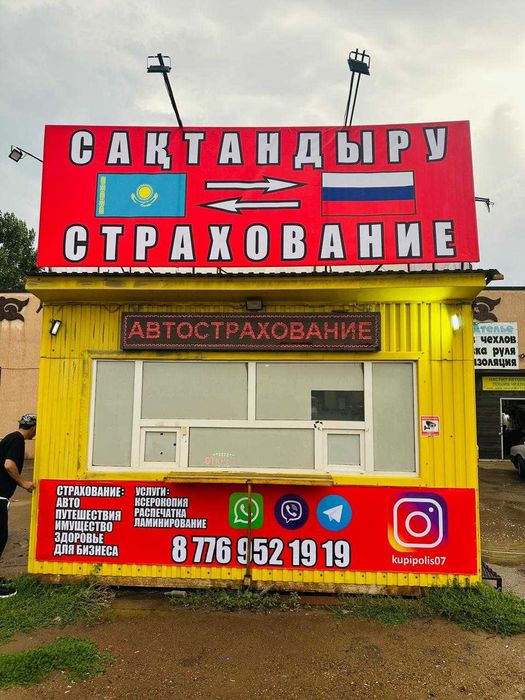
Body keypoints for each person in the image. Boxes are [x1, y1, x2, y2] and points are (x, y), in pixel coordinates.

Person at [0, 414, 37, 598]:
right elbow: (9, 465)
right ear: (33, 428)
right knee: (0, 538)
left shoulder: (10, 437)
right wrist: (24, 483)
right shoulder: (17, 440)